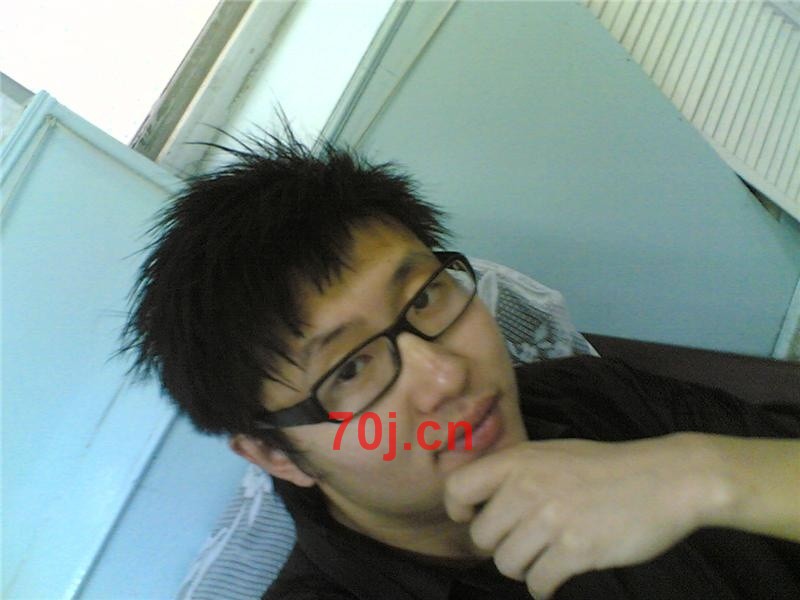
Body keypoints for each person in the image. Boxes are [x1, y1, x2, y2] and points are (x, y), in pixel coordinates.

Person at [123, 130, 800, 600]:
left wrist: (708, 474)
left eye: (424, 298)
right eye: (350, 370)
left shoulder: (586, 398)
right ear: (275, 454)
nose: (445, 377)